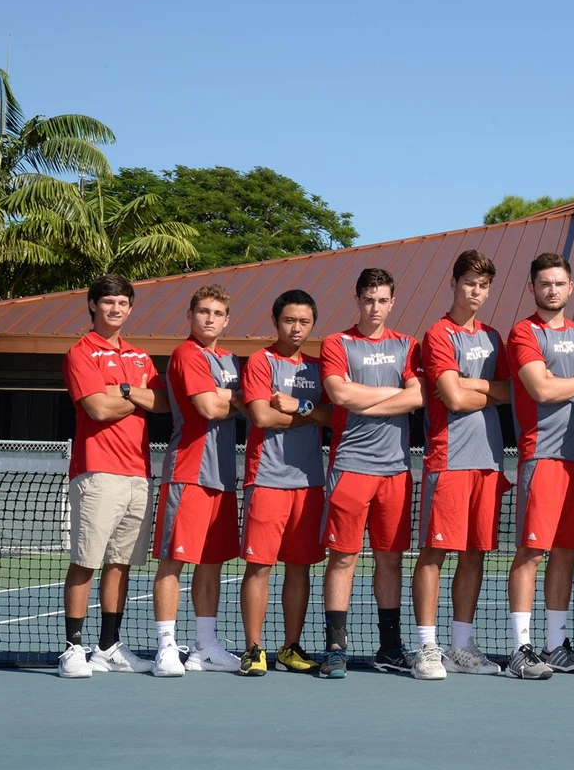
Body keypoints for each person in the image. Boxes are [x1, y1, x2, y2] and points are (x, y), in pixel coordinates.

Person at [58, 275, 170, 677]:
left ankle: (107, 647)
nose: (116, 309)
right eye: (108, 302)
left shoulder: (140, 355)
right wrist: (134, 394)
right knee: (85, 561)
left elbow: (161, 402)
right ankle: (73, 649)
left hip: (138, 473)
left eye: (123, 303)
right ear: (93, 305)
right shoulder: (80, 352)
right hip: (97, 472)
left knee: (120, 564)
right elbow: (97, 409)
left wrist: (119, 389)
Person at [411, 250, 512, 680]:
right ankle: (427, 647)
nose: (476, 291)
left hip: (488, 460)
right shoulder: (437, 334)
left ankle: (461, 646)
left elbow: (510, 392)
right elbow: (452, 399)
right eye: (470, 282)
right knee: (434, 553)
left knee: (475, 554)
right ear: (454, 283)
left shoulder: (493, 337)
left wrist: (470, 384)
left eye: (483, 285)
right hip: (448, 459)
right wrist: (482, 392)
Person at [318, 268, 424, 678]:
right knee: (343, 558)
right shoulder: (337, 343)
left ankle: (390, 648)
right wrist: (393, 396)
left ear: (392, 302)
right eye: (368, 300)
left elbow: (416, 397)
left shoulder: (407, 345)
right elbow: (339, 393)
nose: (375, 307)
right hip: (350, 467)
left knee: (390, 560)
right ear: (357, 300)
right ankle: (335, 647)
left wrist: (365, 399)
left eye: (382, 300)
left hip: (395, 470)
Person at [504, 252, 574, 679]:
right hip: (540, 454)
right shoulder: (523, 332)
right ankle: (520, 650)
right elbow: (540, 389)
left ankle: (556, 646)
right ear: (532, 288)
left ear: (571, 287)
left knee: (566, 553)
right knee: (531, 552)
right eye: (545, 283)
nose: (553, 290)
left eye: (559, 283)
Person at [236, 290, 330, 676]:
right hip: (267, 480)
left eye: (304, 322)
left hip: (310, 482)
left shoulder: (319, 368)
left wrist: (298, 406)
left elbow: (332, 416)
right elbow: (262, 416)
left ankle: (291, 648)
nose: (296, 328)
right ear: (275, 321)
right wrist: (310, 414)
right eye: (289, 320)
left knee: (300, 567)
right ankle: (253, 649)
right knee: (259, 567)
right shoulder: (261, 361)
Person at [152, 284, 245, 677]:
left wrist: (229, 395)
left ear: (227, 320)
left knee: (212, 563)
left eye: (217, 313)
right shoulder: (186, 354)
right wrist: (233, 397)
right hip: (188, 472)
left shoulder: (230, 360)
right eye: (204, 311)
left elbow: (247, 403)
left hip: (222, 476)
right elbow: (208, 407)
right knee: (174, 561)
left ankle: (205, 648)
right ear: (190, 315)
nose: (210, 318)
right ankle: (166, 648)